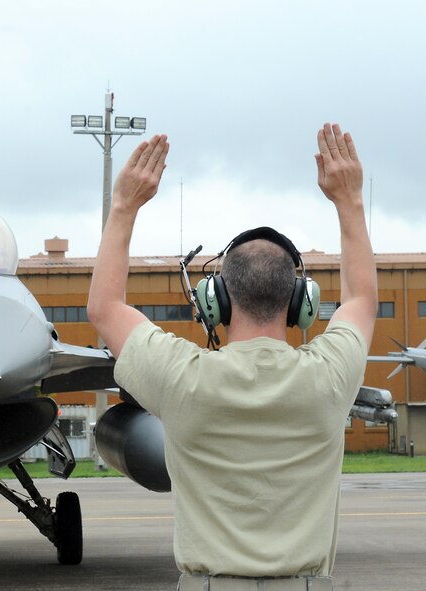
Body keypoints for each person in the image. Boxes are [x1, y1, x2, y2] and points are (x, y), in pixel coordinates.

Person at [87, 124, 376, 591]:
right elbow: (361, 300)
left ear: (214, 301)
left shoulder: (181, 377)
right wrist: (349, 199)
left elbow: (105, 309)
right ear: (301, 302)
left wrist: (124, 205)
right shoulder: (329, 376)